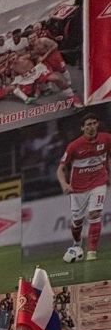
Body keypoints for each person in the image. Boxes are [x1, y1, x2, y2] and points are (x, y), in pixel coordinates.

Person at [57, 111, 111, 262]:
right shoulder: (74, 146)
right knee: (77, 222)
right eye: (88, 125)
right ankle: (77, 244)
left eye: (94, 123)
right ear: (82, 128)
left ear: (98, 124)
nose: (91, 127)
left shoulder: (106, 139)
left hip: (99, 181)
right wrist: (64, 184)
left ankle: (92, 252)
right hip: (78, 188)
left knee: (94, 214)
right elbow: (60, 168)